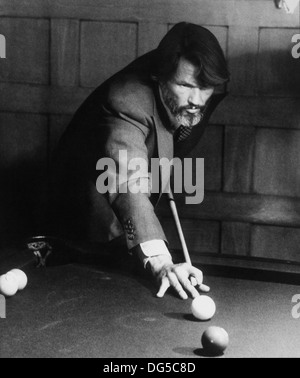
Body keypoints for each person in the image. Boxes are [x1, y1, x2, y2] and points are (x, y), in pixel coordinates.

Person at [46, 22, 229, 300]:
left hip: (121, 213)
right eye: (184, 85)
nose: (196, 99)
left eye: (204, 87)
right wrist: (161, 260)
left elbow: (178, 133)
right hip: (81, 218)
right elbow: (127, 181)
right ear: (160, 77)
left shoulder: (207, 87)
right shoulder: (127, 99)